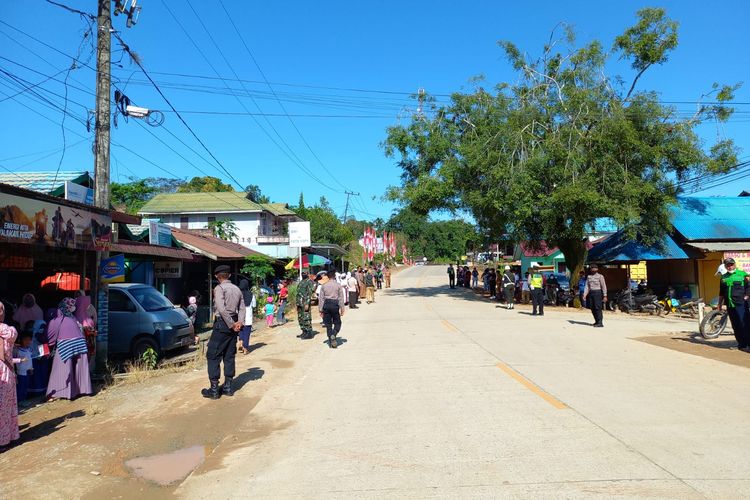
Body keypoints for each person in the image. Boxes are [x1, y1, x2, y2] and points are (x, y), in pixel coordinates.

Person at [202, 265, 245, 400]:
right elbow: (242, 308)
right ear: (229, 275)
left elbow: (221, 309)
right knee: (229, 354)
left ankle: (214, 389)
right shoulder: (237, 289)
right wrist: (239, 323)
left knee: (213, 355)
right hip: (234, 323)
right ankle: (228, 387)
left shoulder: (219, 288)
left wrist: (231, 325)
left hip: (222, 324)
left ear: (216, 276)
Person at [46, 298, 92, 400]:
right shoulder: (73, 318)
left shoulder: (56, 320)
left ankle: (63, 392)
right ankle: (83, 390)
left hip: (65, 344)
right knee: (79, 368)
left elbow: (49, 337)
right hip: (80, 343)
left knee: (63, 368)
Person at [717, 258, 750, 351]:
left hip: (741, 304)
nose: (730, 266)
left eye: (731, 264)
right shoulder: (723, 277)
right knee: (735, 325)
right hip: (730, 305)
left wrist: (747, 296)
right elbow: (721, 292)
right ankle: (741, 345)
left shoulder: (743, 274)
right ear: (725, 266)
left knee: (745, 324)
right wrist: (719, 303)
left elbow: (748, 286)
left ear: (734, 264)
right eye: (728, 265)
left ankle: (749, 344)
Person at [0, 303, 20, 448]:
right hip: (5, 370)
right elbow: (13, 334)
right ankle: (6, 438)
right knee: (5, 406)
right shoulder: (8, 330)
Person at [318, 271, 345, 348]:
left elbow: (321, 299)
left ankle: (331, 340)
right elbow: (341, 298)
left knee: (328, 324)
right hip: (335, 305)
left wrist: (320, 309)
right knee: (338, 322)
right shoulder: (338, 285)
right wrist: (342, 308)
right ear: (334, 277)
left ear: (328, 277)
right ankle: (334, 334)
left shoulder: (324, 286)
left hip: (326, 304)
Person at [13, 331, 33, 404]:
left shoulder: (29, 350)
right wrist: (21, 360)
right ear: (21, 340)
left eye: (29, 340)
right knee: (20, 387)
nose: (28, 341)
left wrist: (31, 368)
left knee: (25, 386)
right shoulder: (17, 350)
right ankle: (19, 401)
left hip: (27, 371)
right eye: (25, 340)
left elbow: (30, 360)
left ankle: (23, 400)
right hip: (20, 372)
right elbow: (12, 359)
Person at [296, 272, 316, 339]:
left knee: (306, 317)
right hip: (299, 303)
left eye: (304, 273)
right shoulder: (302, 281)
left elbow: (310, 293)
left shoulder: (309, 282)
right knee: (300, 317)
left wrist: (307, 303)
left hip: (305, 303)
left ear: (307, 274)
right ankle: (304, 331)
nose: (303, 274)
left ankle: (309, 333)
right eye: (302, 273)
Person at [238, 279, 255, 354]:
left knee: (240, 330)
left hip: (239, 315)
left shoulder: (238, 294)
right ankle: (245, 348)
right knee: (247, 332)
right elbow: (254, 305)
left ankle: (241, 342)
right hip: (248, 315)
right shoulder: (251, 294)